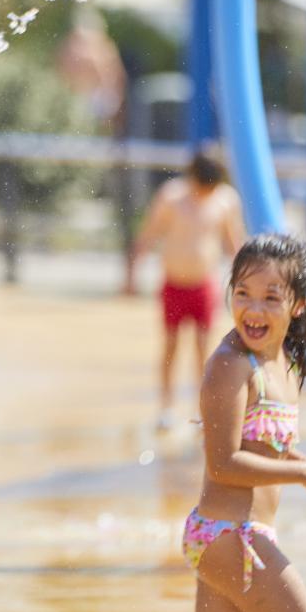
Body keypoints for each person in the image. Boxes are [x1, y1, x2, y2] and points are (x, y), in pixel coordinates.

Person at [182, 234, 306, 612]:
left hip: (229, 539)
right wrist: (304, 475)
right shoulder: (231, 364)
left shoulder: (281, 361)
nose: (253, 309)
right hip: (229, 537)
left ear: (297, 305)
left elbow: (267, 449)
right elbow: (224, 464)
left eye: (270, 298)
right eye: (242, 293)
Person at [124, 151, 245, 429]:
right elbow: (149, 234)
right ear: (192, 178)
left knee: (204, 351)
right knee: (170, 347)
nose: (205, 193)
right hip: (174, 284)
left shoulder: (225, 200)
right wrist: (132, 272)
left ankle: (200, 408)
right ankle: (166, 407)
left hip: (203, 285)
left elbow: (233, 242)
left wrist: (244, 280)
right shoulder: (172, 197)